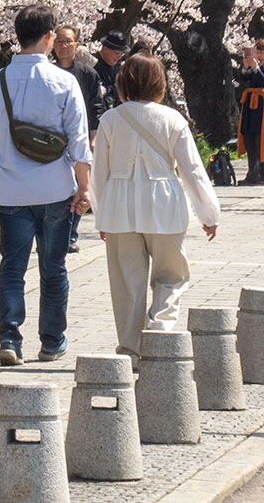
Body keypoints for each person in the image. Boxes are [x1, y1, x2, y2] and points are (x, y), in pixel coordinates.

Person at [0, 5, 93, 366]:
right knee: (53, 267)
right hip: (56, 188)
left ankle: (10, 337)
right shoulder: (64, 81)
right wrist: (84, 187)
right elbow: (78, 140)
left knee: (12, 266)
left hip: (12, 191)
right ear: (48, 38)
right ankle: (52, 340)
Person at [94, 52, 220, 362]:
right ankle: (160, 330)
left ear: (123, 82)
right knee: (171, 274)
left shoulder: (110, 119)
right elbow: (192, 171)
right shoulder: (173, 119)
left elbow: (100, 175)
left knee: (127, 283)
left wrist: (102, 216)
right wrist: (208, 213)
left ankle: (131, 349)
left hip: (121, 208)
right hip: (164, 203)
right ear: (159, 83)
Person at [51, 24, 100, 253]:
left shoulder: (87, 74)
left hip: (79, 138)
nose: (63, 46)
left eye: (68, 41)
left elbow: (96, 107)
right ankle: (58, 231)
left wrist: (93, 136)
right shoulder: (47, 73)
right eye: (59, 41)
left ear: (77, 45)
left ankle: (72, 234)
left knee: (81, 186)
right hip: (53, 138)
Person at [236, 39, 264, 187]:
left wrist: (256, 69)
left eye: (262, 53)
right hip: (250, 106)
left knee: (263, 139)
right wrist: (245, 67)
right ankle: (252, 172)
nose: (259, 56)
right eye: (257, 52)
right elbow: (243, 79)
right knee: (250, 138)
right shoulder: (256, 67)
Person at [92, 31, 126, 128]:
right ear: (106, 49)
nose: (118, 58)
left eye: (121, 54)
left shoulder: (118, 68)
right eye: (116, 53)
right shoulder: (92, 64)